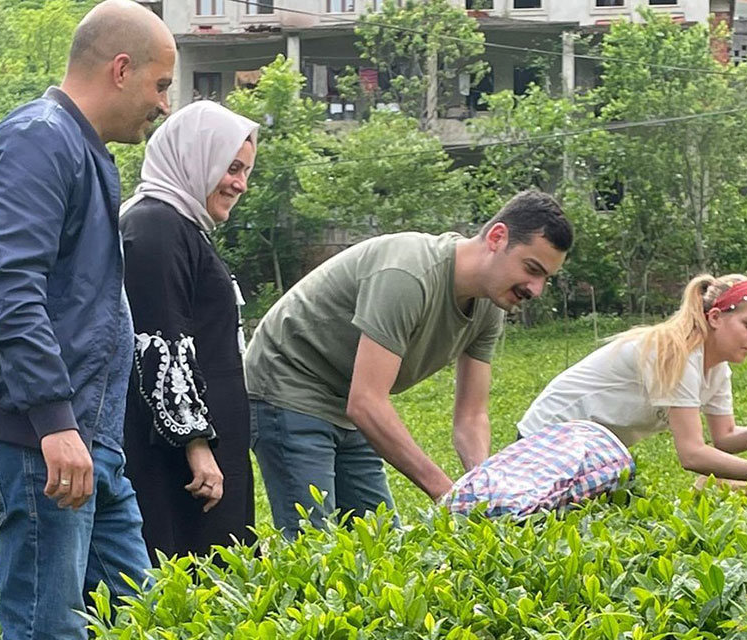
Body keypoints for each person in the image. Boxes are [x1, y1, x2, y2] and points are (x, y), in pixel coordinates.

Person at [0, 1, 174, 637]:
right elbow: (7, 285)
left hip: (83, 443)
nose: (164, 105)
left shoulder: (76, 147)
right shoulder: (41, 139)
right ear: (121, 69)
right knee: (50, 630)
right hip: (39, 444)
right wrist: (53, 420)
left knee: (143, 618)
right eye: (161, 85)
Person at [245, 190, 574, 537]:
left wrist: (483, 492)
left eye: (545, 278)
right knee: (312, 545)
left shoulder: (489, 306)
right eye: (531, 269)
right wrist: (447, 494)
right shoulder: (408, 274)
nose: (536, 289)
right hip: (289, 382)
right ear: (497, 237)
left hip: (346, 397)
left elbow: (471, 417)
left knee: (380, 540)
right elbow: (367, 402)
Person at [119, 101, 258, 563]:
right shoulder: (154, 227)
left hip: (206, 457)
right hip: (182, 468)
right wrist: (196, 447)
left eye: (245, 171)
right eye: (231, 167)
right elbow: (161, 346)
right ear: (197, 157)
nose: (239, 183)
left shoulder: (181, 226)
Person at [515, 274, 747, 487]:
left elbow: (725, 438)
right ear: (716, 317)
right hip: (544, 447)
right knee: (718, 483)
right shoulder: (675, 353)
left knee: (718, 483)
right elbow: (692, 455)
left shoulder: (716, 366)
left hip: (594, 459)